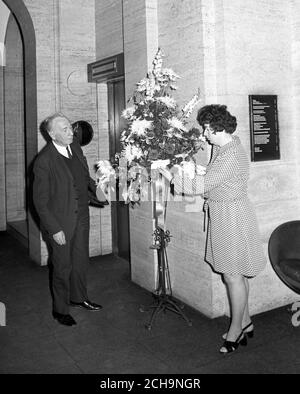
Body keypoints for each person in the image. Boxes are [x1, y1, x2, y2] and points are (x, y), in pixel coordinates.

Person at [160, 104, 266, 354]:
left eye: (207, 129)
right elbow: (214, 178)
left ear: (218, 128)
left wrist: (170, 173)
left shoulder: (231, 153)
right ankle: (245, 322)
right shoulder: (223, 146)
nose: (204, 134)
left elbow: (202, 185)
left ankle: (235, 330)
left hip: (232, 216)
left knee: (232, 274)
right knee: (235, 273)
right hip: (225, 213)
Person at [33, 113, 105, 326]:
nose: (70, 132)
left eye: (69, 127)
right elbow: (40, 202)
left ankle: (78, 298)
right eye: (63, 129)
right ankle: (60, 309)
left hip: (82, 215)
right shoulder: (44, 161)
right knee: (62, 266)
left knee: (81, 261)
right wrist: (54, 229)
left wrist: (100, 190)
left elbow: (84, 177)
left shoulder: (76, 148)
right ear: (52, 134)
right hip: (60, 221)